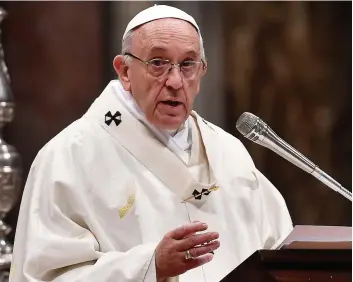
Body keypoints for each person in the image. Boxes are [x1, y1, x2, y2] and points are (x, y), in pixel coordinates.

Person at [10, 4, 293, 282]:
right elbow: (46, 275)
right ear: (124, 70)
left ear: (202, 71)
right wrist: (149, 267)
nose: (175, 81)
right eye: (158, 63)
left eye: (187, 65)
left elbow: (282, 253)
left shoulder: (229, 153)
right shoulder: (69, 156)